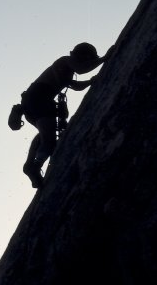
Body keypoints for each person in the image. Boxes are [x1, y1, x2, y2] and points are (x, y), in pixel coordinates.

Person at [19, 42, 114, 188]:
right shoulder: (66, 61)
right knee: (49, 139)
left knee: (46, 136)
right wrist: (104, 59)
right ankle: (34, 166)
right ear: (83, 56)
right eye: (89, 59)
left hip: (33, 101)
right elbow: (82, 69)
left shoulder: (66, 68)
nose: (89, 62)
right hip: (39, 98)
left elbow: (75, 85)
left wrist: (90, 82)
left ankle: (33, 165)